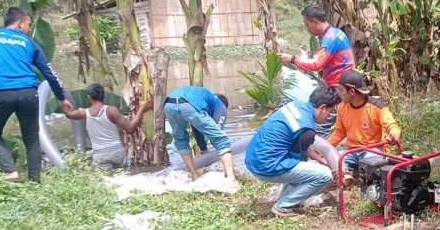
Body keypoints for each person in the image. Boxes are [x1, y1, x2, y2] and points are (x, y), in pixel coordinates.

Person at [0, 7, 73, 182]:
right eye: (29, 24)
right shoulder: (28, 42)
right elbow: (49, 72)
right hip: (28, 93)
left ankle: (11, 170)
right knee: (32, 139)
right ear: (20, 23)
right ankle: (35, 182)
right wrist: (61, 97)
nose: (29, 28)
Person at [245, 86, 341, 218]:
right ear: (323, 107)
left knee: (301, 165)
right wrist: (328, 166)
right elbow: (299, 157)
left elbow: (302, 147)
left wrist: (324, 160)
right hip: (266, 166)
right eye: (330, 112)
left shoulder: (296, 106)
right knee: (323, 175)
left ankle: (285, 198)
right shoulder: (307, 128)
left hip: (253, 160)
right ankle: (283, 207)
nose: (329, 117)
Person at [328, 70, 402, 186]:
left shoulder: (376, 107)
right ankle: (350, 174)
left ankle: (355, 174)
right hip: (351, 151)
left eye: (341, 90)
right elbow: (339, 132)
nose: (340, 94)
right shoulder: (342, 107)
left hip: (372, 150)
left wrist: (394, 132)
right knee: (333, 160)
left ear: (351, 92)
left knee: (371, 167)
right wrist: (326, 147)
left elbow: (391, 125)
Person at [61, 84, 152, 170]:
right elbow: (130, 128)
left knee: (105, 182)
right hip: (117, 152)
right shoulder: (111, 110)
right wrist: (141, 110)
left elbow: (68, 114)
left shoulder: (84, 113)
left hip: (100, 155)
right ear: (104, 96)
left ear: (89, 97)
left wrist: (62, 100)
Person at [163, 86, 235, 180]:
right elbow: (216, 136)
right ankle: (231, 178)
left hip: (169, 104)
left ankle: (194, 175)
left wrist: (204, 149)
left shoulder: (202, 96)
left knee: (181, 140)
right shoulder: (221, 106)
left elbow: (196, 126)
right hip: (188, 104)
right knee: (221, 139)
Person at [276, 6, 355, 87]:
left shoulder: (329, 39)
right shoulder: (336, 32)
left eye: (307, 25)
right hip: (346, 82)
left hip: (339, 86)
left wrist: (292, 59)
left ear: (315, 22)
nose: (307, 29)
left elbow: (316, 64)